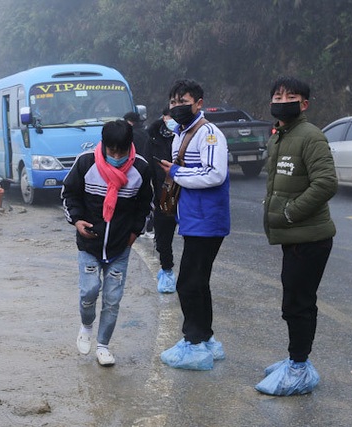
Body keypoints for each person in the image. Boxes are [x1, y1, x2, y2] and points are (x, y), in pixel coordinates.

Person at [256, 76, 338, 395]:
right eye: (277, 94)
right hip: (294, 237)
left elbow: (326, 183)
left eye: (290, 95)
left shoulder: (310, 136)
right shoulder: (281, 135)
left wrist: (289, 213)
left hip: (310, 237)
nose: (282, 99)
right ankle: (295, 360)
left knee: (298, 303)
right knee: (293, 299)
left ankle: (299, 367)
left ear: (304, 104)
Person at [61, 120, 153, 367]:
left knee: (113, 299)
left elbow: (145, 205)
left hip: (119, 249)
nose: (116, 156)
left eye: (121, 151)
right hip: (89, 245)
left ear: (129, 146)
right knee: (89, 290)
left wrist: (134, 233)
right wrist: (78, 221)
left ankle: (103, 346)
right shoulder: (86, 163)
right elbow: (69, 194)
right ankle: (86, 325)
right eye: (111, 151)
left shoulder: (141, 169)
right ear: (104, 145)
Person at [157, 79, 230, 370]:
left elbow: (215, 175)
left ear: (199, 103)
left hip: (207, 220)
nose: (177, 107)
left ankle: (195, 343)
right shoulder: (181, 134)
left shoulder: (209, 134)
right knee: (198, 282)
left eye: (183, 101)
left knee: (188, 283)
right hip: (193, 219)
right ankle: (206, 339)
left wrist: (176, 172)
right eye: (173, 102)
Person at [146, 107, 178, 293]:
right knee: (163, 236)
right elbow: (146, 170)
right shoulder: (153, 137)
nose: (171, 120)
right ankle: (167, 270)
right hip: (163, 194)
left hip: (187, 190)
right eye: (169, 116)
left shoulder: (187, 134)